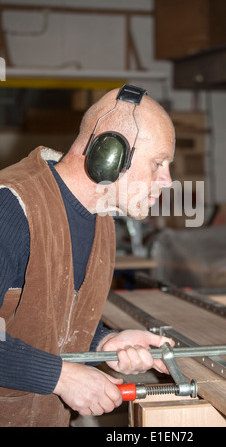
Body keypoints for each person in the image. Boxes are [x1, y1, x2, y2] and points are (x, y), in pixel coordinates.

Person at [0, 84, 176, 427]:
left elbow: (48, 318)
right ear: (109, 153)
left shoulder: (101, 218)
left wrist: (104, 341)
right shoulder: (11, 207)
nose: (168, 181)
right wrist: (62, 377)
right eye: (158, 163)